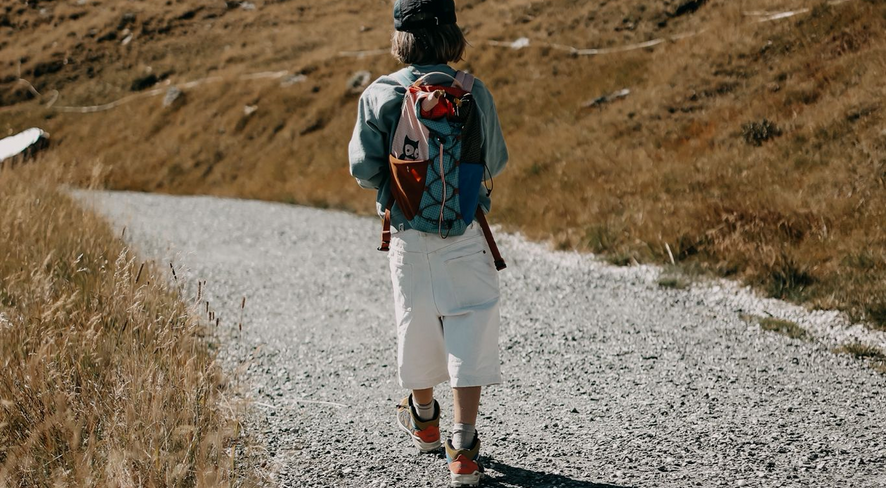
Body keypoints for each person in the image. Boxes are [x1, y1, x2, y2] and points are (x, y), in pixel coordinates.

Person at [348, 0, 508, 485]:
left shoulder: (381, 93)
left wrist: (397, 189)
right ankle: (464, 446)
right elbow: (495, 162)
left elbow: (362, 169)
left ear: (401, 38)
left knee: (415, 324)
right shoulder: (473, 92)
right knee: (470, 325)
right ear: (452, 34)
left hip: (407, 232)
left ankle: (424, 420)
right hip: (465, 230)